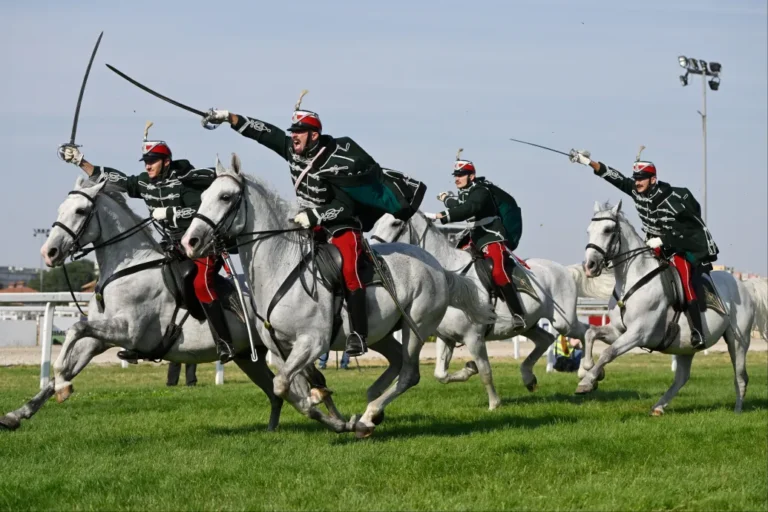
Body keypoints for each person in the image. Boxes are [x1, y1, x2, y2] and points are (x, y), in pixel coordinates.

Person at [201, 92, 392, 357]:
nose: (294, 136)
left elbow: (345, 206)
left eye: (300, 132)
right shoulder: (292, 149)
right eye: (294, 131)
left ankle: (358, 333)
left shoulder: (335, 159)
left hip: (341, 224)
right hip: (306, 222)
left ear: (314, 135)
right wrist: (229, 118)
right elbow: (265, 133)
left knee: (349, 266)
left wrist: (315, 216)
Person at [57, 123, 236, 363]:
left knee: (200, 283)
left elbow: (198, 211)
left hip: (202, 246)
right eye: (145, 161)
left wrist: (170, 214)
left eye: (153, 160)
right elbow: (115, 178)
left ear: (166, 161)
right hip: (172, 247)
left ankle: (225, 342)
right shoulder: (144, 182)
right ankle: (141, 340)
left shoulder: (184, 181)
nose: (148, 165)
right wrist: (81, 161)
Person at [569, 148, 719, 348]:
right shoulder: (636, 190)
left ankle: (697, 331)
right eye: (636, 178)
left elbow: (687, 228)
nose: (637, 182)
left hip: (677, 249)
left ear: (653, 179)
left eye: (642, 178)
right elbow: (616, 178)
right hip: (651, 247)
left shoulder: (673, 198)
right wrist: (588, 162)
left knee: (685, 279)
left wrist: (664, 240)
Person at [434, 150, 526, 329]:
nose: (457, 179)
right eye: (456, 175)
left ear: (472, 175)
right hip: (474, 237)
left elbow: (468, 209)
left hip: (491, 236)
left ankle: (518, 314)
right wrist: (446, 199)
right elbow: (459, 204)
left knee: (498, 272)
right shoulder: (466, 191)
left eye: (461, 175)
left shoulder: (481, 190)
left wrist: (440, 216)